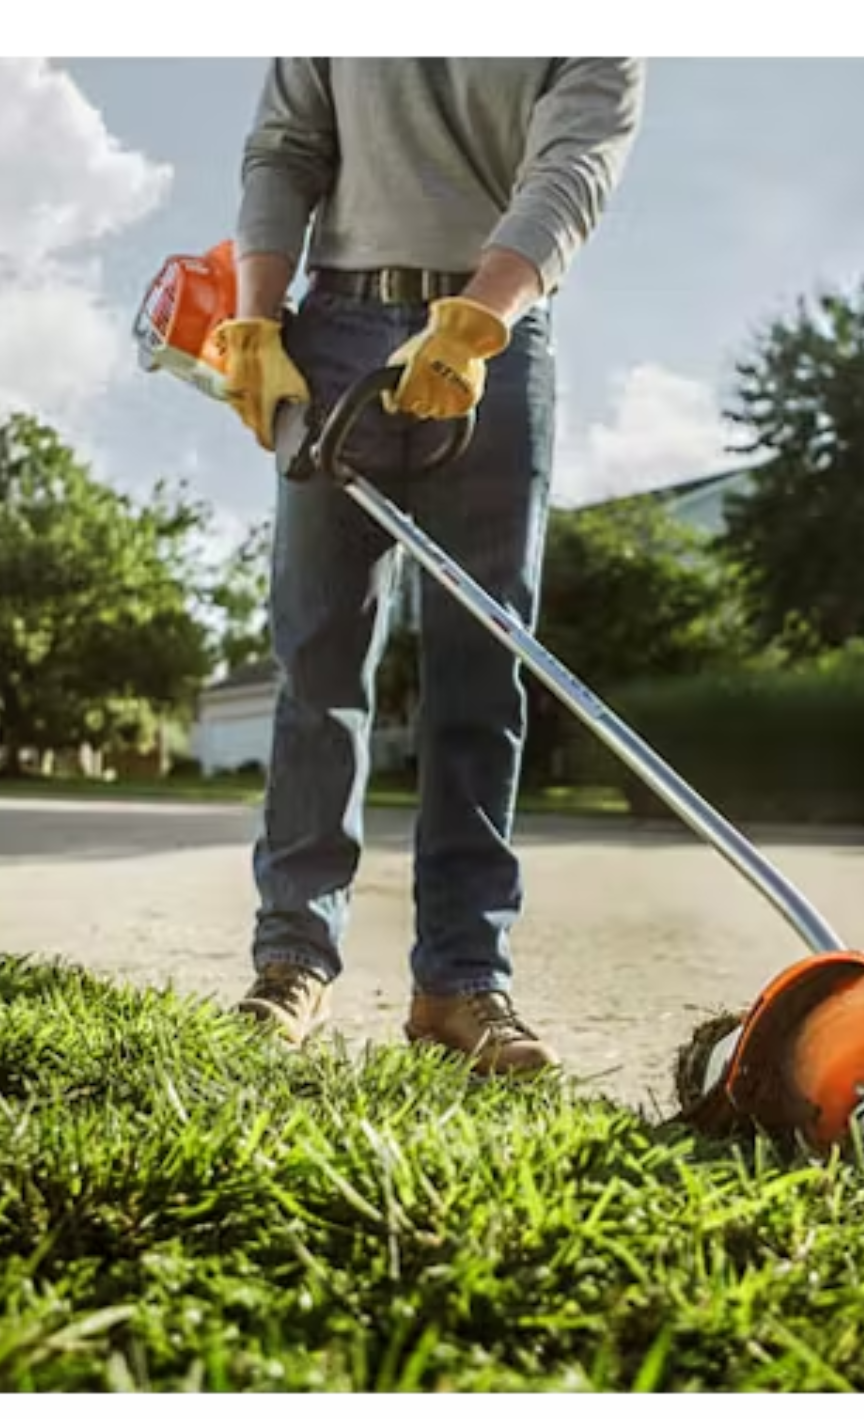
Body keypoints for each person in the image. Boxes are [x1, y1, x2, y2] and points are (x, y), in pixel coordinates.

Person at [214, 58, 646, 1076]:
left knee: (480, 672)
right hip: (329, 335)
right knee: (317, 665)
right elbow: (287, 146)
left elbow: (573, 167)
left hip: (493, 337)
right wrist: (257, 317)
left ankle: (460, 983)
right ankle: (292, 967)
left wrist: (474, 320)